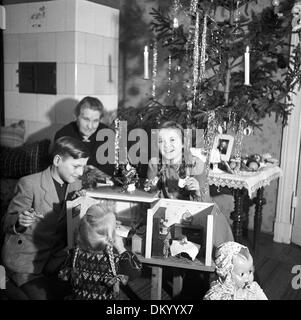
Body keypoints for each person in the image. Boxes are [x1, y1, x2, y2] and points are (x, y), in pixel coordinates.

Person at [1, 136, 90, 300]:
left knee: (77, 291)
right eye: (76, 166)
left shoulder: (75, 184)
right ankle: (3, 280)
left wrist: (80, 206)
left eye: (83, 167)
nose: (81, 172)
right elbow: (7, 222)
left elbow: (70, 222)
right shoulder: (29, 184)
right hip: (25, 260)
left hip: (54, 259)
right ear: (57, 160)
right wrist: (20, 221)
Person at [146, 121, 233, 247]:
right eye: (161, 141)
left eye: (172, 140)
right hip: (171, 216)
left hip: (201, 215)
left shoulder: (195, 164)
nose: (166, 145)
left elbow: (206, 202)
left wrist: (197, 190)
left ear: (182, 143)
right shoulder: (155, 164)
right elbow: (151, 194)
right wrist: (151, 185)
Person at [59, 201, 142, 300]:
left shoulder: (74, 253)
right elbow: (136, 272)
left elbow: (64, 275)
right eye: (115, 227)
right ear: (111, 237)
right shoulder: (115, 260)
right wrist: (121, 248)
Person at [54, 96, 114, 177]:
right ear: (76, 116)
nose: (90, 126)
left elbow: (110, 171)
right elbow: (61, 170)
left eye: (95, 121)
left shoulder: (108, 134)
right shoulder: (63, 135)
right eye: (86, 119)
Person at [203, 241, 268, 300]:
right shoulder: (218, 295)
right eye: (242, 274)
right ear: (227, 274)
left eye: (250, 271)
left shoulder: (253, 289)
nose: (248, 277)